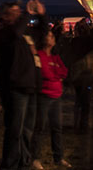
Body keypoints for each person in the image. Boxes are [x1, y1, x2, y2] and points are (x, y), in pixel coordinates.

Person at [0, 0, 46, 170]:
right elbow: (15, 33)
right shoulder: (2, 33)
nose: (19, 14)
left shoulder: (26, 33)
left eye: (19, 11)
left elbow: (42, 33)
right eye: (14, 12)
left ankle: (23, 163)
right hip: (15, 87)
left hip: (30, 85)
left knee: (27, 130)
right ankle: (9, 165)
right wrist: (27, 14)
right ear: (5, 16)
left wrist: (42, 16)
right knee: (15, 130)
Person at [32, 31, 70, 168]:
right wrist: (56, 76)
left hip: (56, 96)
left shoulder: (55, 57)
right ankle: (35, 158)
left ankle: (58, 157)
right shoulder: (40, 55)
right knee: (40, 127)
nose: (50, 38)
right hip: (44, 95)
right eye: (48, 35)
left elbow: (64, 72)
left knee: (57, 128)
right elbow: (45, 74)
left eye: (52, 36)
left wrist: (55, 75)